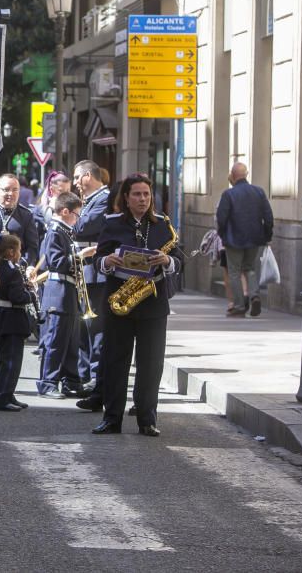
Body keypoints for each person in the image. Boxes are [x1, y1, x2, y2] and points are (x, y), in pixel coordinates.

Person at [92, 173, 184, 437]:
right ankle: (112, 419)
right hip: (119, 299)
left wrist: (167, 262)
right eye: (137, 194)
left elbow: (179, 259)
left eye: (146, 194)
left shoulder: (162, 225)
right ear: (126, 198)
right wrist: (107, 262)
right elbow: (98, 259)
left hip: (153, 303)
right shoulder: (112, 224)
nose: (143, 199)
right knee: (114, 362)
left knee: (151, 363)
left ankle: (147, 419)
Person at [71, 160, 111, 407]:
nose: (75, 182)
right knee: (86, 330)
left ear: (88, 176)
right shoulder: (89, 200)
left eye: (77, 177)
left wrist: (65, 214)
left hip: (96, 274)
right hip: (84, 272)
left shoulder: (104, 198)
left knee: (97, 331)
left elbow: (82, 227)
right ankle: (88, 380)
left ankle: (98, 383)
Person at [36, 191, 83, 399]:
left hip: (69, 291)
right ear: (65, 212)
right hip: (58, 291)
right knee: (55, 339)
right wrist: (80, 256)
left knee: (70, 339)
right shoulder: (55, 230)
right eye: (76, 214)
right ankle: (47, 382)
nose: (77, 219)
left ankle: (70, 380)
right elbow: (56, 262)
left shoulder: (65, 230)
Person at [216, 162, 273, 317]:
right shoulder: (259, 192)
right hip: (255, 238)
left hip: (233, 239)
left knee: (234, 272)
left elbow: (221, 218)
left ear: (233, 176)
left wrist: (222, 234)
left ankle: (240, 305)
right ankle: (254, 295)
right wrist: (267, 235)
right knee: (250, 268)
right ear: (246, 174)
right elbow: (268, 217)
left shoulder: (228, 194)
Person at [0, 234, 33, 412]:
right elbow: (17, 297)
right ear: (11, 252)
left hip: (4, 317)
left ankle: (8, 393)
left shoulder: (1, 267)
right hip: (13, 318)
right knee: (11, 361)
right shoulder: (11, 270)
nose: (20, 253)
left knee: (4, 359)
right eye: (19, 250)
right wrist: (30, 294)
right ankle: (2, 397)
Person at [0, 173, 40, 266]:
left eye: (15, 190)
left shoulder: (26, 215)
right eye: (6, 190)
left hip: (15, 268)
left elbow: (32, 247)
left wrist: (21, 264)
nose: (10, 193)